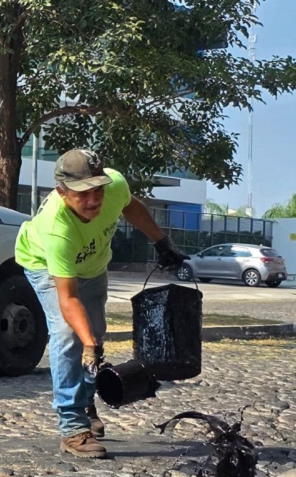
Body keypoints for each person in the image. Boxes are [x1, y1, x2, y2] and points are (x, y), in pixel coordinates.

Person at [14, 149, 188, 459]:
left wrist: (162, 242)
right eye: (83, 194)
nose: (94, 200)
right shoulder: (57, 228)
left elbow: (132, 207)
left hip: (92, 265)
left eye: (98, 190)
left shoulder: (116, 185)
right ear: (62, 192)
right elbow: (67, 299)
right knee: (70, 335)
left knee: (95, 332)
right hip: (44, 263)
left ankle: (85, 401)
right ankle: (72, 427)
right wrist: (87, 343)